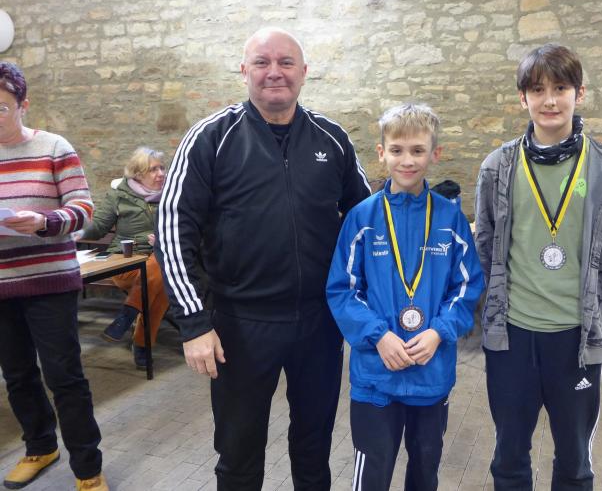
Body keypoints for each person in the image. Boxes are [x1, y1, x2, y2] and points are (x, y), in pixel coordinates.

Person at [156, 27, 371, 491]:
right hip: (240, 325)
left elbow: (367, 222)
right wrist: (193, 322)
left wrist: (370, 306)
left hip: (319, 322)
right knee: (238, 453)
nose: (275, 72)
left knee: (313, 447)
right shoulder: (210, 138)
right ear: (244, 71)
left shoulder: (332, 138)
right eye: (262, 62)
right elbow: (173, 228)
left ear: (304, 72)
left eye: (286, 62)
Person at [474, 44, 602, 490]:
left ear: (579, 94)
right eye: (537, 89)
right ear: (522, 98)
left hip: (576, 338)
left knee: (575, 461)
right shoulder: (497, 167)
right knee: (509, 457)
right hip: (512, 336)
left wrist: (598, 303)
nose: (549, 100)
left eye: (561, 88)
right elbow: (485, 244)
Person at [327, 103, 484, 490]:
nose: (407, 160)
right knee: (372, 474)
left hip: (431, 373)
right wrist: (378, 335)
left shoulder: (450, 218)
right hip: (376, 375)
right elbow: (343, 290)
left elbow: (466, 287)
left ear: (435, 154)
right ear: (382, 153)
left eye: (418, 150)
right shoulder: (362, 218)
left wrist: (439, 332)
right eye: (397, 150)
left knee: (425, 471)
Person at [0, 62, 108, 491]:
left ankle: (88, 470)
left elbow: (83, 209)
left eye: (1, 108)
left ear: (22, 105)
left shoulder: (53, 147)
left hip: (48, 281)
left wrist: (44, 222)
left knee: (64, 376)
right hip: (1, 286)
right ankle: (40, 447)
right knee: (17, 375)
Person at [75, 147, 168, 369]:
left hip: (160, 258)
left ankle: (127, 317)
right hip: (126, 260)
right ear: (138, 174)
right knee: (163, 278)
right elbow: (99, 226)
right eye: (153, 169)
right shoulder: (118, 195)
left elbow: (187, 226)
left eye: (162, 168)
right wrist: (76, 233)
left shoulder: (173, 195)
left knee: (162, 269)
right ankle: (141, 343)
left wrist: (165, 240)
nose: (161, 174)